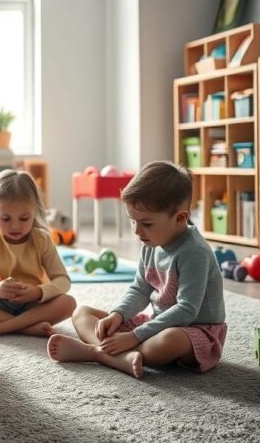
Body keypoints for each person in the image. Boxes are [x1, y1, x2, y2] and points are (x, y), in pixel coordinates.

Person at [48, 161, 227, 379]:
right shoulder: (150, 242)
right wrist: (117, 314)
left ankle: (96, 352)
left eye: (146, 223)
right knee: (81, 313)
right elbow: (140, 288)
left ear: (180, 218)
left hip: (194, 330)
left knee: (167, 341)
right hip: (157, 322)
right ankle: (118, 355)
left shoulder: (194, 252)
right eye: (132, 221)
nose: (137, 231)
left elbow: (187, 310)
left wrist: (136, 335)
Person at [0, 169, 75, 336]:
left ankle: (2, 327)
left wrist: (39, 291)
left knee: (68, 303)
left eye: (24, 218)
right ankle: (27, 327)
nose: (15, 226)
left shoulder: (42, 239)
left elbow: (64, 281)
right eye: (5, 219)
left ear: (35, 212)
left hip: (33, 304)